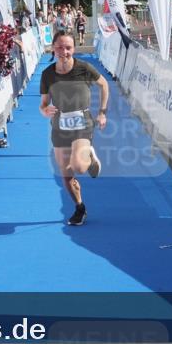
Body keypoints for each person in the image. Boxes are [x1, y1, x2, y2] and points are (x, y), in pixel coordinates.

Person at [39, 31, 108, 226]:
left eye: (68, 48)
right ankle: (79, 208)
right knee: (67, 174)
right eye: (60, 47)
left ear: (73, 49)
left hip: (82, 124)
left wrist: (102, 112)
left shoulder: (84, 69)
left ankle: (90, 157)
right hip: (59, 127)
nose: (64, 51)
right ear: (53, 48)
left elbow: (104, 85)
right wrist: (44, 110)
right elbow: (43, 103)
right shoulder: (48, 74)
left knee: (79, 166)